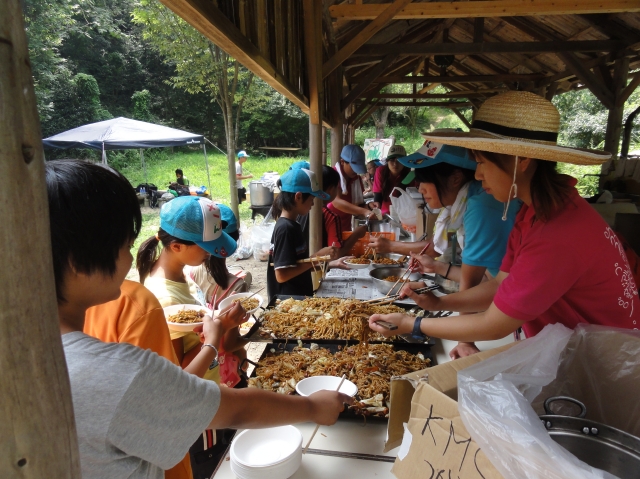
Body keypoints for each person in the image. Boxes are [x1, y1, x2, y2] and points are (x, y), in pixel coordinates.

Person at [47, 159, 352, 479]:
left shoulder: (39, 359)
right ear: (77, 262)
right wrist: (313, 407)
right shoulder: (119, 367)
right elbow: (234, 408)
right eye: (124, 245)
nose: (128, 256)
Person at [369, 91, 640, 346]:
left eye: (482, 163)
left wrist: (412, 324)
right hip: (578, 352)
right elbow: (500, 285)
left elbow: (494, 323)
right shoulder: (536, 211)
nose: (477, 175)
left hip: (604, 364)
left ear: (519, 160)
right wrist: (439, 303)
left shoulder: (557, 231)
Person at [84, 279, 224, 479]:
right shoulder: (133, 302)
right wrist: (211, 345)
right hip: (159, 463)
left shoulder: (57, 305)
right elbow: (173, 395)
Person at [136, 196, 243, 384]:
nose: (210, 253)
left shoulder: (180, 274)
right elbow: (181, 374)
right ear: (176, 246)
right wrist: (222, 327)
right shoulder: (165, 299)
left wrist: (219, 318)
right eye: (205, 247)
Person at [267, 168, 338, 301]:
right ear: (298, 196)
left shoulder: (293, 224)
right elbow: (281, 275)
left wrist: (328, 263)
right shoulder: (285, 229)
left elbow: (297, 266)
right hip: (289, 302)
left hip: (298, 297)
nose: (312, 203)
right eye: (311, 198)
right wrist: (316, 257)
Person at [327, 144, 378, 232]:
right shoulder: (333, 175)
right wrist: (364, 211)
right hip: (329, 227)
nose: (355, 171)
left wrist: (368, 206)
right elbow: (336, 202)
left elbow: (357, 205)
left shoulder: (356, 179)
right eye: (353, 167)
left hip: (345, 228)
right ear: (342, 162)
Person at [371, 145, 416, 216]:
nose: (395, 164)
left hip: (405, 214)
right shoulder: (380, 171)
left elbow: (412, 196)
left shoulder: (410, 173)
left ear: (404, 162)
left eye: (399, 160)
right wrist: (376, 206)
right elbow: (378, 194)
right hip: (385, 214)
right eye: (392, 160)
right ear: (387, 161)